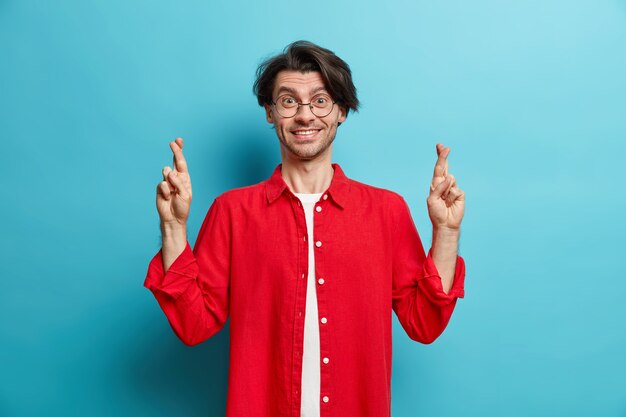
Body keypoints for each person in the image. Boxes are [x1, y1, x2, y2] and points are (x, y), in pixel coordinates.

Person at [144, 40, 466, 417]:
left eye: (320, 100)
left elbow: (424, 323)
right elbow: (192, 324)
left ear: (341, 110)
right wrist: (173, 226)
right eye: (288, 101)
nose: (305, 115)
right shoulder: (231, 212)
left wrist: (446, 233)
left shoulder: (386, 212)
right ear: (270, 112)